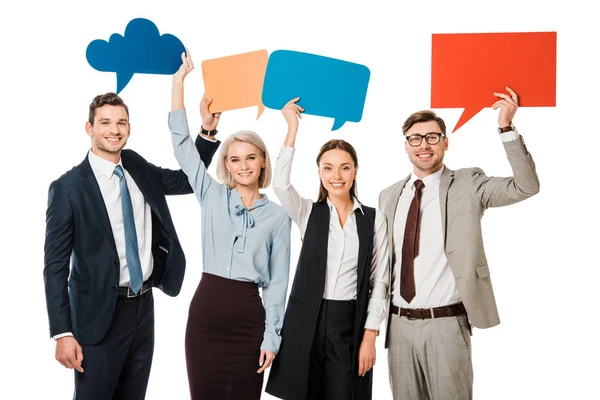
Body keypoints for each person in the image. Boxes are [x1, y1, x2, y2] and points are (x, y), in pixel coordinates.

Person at [43, 91, 213, 399]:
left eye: (121, 122)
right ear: (89, 128)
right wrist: (62, 332)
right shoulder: (67, 189)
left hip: (143, 307)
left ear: (129, 128)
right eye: (105, 122)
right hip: (98, 315)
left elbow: (187, 181)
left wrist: (207, 132)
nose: (114, 129)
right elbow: (54, 267)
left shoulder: (134, 164)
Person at [379, 87, 540, 399]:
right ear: (406, 146)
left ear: (445, 142)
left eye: (432, 137)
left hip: (446, 324)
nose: (423, 144)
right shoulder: (389, 195)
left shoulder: (469, 183)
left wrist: (506, 127)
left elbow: (526, 186)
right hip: (397, 326)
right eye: (415, 138)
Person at [169, 50, 291, 399]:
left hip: (248, 321)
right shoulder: (211, 195)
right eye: (234, 159)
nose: (243, 166)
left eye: (250, 157)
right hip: (205, 317)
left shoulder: (278, 217)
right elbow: (181, 146)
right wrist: (179, 83)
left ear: (262, 160)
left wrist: (272, 336)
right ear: (226, 163)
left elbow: (278, 283)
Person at [266, 98, 389, 400]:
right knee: (303, 391)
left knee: (346, 393)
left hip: (348, 320)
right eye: (328, 168)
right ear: (319, 172)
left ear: (355, 171)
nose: (337, 176)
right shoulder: (309, 212)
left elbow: (380, 281)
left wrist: (370, 335)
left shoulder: (374, 219)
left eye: (345, 168)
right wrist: (291, 128)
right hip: (306, 318)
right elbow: (280, 185)